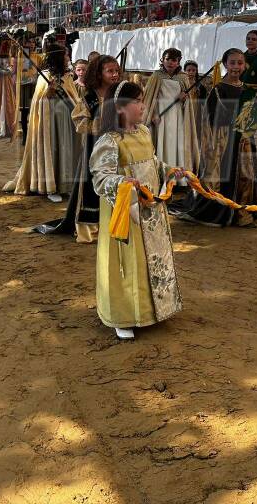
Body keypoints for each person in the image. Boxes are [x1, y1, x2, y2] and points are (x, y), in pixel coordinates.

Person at [90, 81, 183, 340]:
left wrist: (168, 170)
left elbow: (151, 162)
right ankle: (123, 315)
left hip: (150, 211)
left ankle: (152, 310)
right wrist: (121, 182)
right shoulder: (109, 141)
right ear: (120, 107)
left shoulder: (143, 132)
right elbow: (100, 177)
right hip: (126, 213)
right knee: (128, 262)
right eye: (138, 102)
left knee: (150, 259)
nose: (143, 106)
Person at [35, 54, 123, 243]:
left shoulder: (121, 92)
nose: (115, 75)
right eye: (110, 71)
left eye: (116, 71)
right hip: (96, 149)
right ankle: (92, 227)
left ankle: (118, 224)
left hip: (119, 149)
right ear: (99, 74)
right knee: (92, 186)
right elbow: (80, 121)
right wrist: (99, 124)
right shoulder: (90, 97)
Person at [178, 48, 257, 227]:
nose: (236, 67)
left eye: (240, 63)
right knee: (221, 176)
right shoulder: (218, 90)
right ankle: (218, 211)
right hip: (223, 142)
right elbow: (210, 120)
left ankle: (242, 213)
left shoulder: (248, 90)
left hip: (244, 141)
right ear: (225, 64)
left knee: (244, 176)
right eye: (232, 63)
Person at [4, 42, 81, 203]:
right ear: (58, 56)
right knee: (51, 150)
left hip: (65, 119)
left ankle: (64, 184)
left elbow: (73, 97)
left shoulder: (67, 75)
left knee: (65, 150)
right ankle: (49, 187)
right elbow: (38, 102)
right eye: (66, 54)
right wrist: (49, 91)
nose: (68, 57)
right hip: (49, 122)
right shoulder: (44, 75)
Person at [143, 48, 199, 178]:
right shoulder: (156, 76)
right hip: (159, 117)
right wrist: (152, 115)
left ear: (178, 62)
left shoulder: (183, 78)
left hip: (177, 117)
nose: (170, 62)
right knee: (160, 143)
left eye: (174, 60)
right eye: (167, 59)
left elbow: (189, 103)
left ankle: (176, 177)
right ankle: (161, 175)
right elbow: (148, 98)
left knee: (176, 144)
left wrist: (184, 98)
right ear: (163, 59)